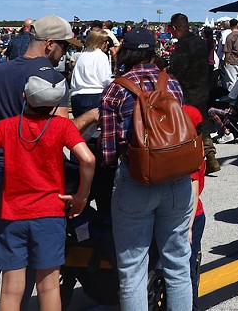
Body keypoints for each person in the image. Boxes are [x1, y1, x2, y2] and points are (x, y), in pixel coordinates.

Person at [0, 15, 79, 311]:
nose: (64, 53)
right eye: (64, 46)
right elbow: (60, 127)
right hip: (34, 170)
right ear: (50, 44)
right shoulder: (52, 77)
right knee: (37, 258)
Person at [0, 72, 94, 311]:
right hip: (49, 213)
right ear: (55, 104)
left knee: (10, 290)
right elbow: (88, 159)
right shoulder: (61, 126)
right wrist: (82, 195)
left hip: (13, 215)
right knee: (48, 286)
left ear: (24, 96)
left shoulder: (6, 126)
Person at [99, 27, 195, 311]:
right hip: (177, 179)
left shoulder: (115, 89)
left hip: (137, 180)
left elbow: (107, 154)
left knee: (132, 271)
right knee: (178, 266)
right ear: (154, 51)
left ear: (125, 52)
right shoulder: (172, 84)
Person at [167, 13, 219, 174]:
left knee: (185, 127)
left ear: (175, 28)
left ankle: (189, 160)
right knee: (201, 125)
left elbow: (176, 72)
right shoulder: (200, 42)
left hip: (186, 92)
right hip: (201, 89)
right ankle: (210, 156)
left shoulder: (183, 46)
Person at [179, 105, 207, 311]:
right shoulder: (197, 146)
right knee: (189, 269)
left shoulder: (188, 149)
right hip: (195, 214)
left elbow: (193, 187)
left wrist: (187, 225)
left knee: (187, 270)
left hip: (189, 216)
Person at [222, 20, 238, 92]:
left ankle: (231, 100)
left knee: (231, 82)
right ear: (237, 24)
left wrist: (225, 61)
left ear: (230, 25)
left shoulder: (230, 36)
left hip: (232, 61)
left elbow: (228, 51)